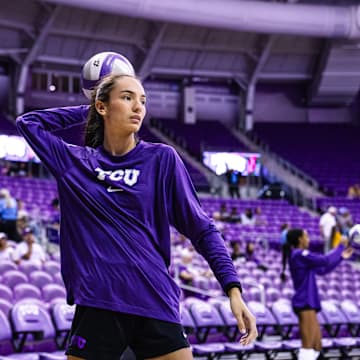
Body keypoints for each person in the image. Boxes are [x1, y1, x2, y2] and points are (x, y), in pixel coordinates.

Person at [17, 73, 257, 360]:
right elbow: (28, 124)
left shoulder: (162, 159)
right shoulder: (75, 162)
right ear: (103, 107)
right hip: (99, 302)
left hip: (155, 299)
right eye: (127, 98)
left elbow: (202, 229)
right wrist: (91, 107)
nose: (138, 107)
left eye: (142, 100)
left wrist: (232, 288)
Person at [281, 228, 353, 360]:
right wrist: (340, 246)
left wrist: (341, 257)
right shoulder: (299, 254)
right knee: (308, 346)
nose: (308, 239)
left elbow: (323, 270)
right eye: (306, 237)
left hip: (310, 302)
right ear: (300, 240)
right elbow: (325, 260)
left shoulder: (302, 257)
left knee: (317, 345)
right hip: (304, 302)